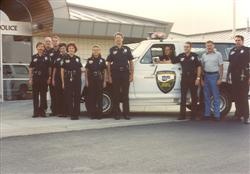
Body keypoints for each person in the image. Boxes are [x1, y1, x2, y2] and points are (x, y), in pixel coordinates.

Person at [107, 32, 134, 120]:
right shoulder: (112, 49)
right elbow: (108, 63)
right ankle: (117, 113)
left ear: (122, 39)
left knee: (125, 94)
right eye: (116, 38)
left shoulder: (127, 49)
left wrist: (131, 74)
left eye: (119, 38)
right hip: (115, 74)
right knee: (116, 94)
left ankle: (126, 114)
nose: (118, 39)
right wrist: (109, 76)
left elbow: (131, 62)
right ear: (115, 40)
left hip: (125, 73)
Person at [172, 42, 201, 120]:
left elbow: (199, 67)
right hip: (184, 78)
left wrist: (198, 78)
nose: (186, 48)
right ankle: (182, 115)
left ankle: (193, 116)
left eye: (187, 47)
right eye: (185, 47)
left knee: (194, 98)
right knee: (183, 97)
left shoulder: (194, 56)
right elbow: (172, 61)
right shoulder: (181, 56)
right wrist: (160, 61)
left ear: (190, 47)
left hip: (193, 78)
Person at [227, 35, 250, 124]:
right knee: (236, 97)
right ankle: (238, 115)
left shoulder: (247, 50)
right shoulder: (232, 51)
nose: (237, 42)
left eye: (239, 40)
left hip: (244, 76)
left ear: (243, 41)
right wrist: (228, 75)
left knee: (243, 97)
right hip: (234, 76)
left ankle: (246, 117)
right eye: (236, 40)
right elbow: (230, 64)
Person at [201, 40, 223, 121]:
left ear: (213, 46)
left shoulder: (218, 54)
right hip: (206, 76)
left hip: (214, 76)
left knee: (216, 96)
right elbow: (202, 67)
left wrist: (220, 78)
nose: (209, 47)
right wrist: (202, 80)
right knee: (206, 96)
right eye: (207, 46)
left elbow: (221, 66)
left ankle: (217, 115)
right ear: (206, 47)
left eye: (210, 45)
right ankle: (207, 114)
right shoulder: (204, 55)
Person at [29, 42, 51, 117]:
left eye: (42, 46)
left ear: (44, 48)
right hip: (36, 78)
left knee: (43, 96)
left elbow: (49, 68)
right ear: (37, 48)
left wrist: (49, 77)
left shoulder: (47, 57)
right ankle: (35, 112)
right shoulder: (34, 57)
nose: (41, 48)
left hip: (44, 78)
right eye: (39, 46)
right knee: (35, 96)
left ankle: (42, 112)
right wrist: (30, 78)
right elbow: (31, 68)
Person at [61, 43, 83, 120]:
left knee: (77, 96)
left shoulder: (77, 58)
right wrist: (63, 82)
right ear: (68, 49)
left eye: (72, 48)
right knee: (69, 97)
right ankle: (71, 113)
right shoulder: (64, 58)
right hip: (68, 79)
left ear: (75, 49)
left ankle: (76, 113)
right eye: (70, 48)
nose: (71, 49)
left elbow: (80, 69)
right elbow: (62, 70)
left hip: (76, 79)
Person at [85, 45, 107, 119]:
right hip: (91, 80)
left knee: (99, 98)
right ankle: (93, 114)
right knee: (92, 98)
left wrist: (104, 81)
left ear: (99, 51)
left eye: (97, 50)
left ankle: (99, 115)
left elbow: (105, 71)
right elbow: (86, 71)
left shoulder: (102, 60)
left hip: (99, 80)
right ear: (92, 51)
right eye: (94, 50)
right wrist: (87, 81)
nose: (95, 51)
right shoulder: (89, 60)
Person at [52, 43, 67, 117]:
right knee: (58, 95)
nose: (62, 49)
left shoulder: (68, 57)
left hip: (66, 78)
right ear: (59, 49)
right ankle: (59, 111)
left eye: (64, 48)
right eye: (61, 48)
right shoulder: (57, 58)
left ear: (65, 49)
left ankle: (66, 111)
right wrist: (53, 79)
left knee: (65, 95)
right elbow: (54, 68)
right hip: (58, 78)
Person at [48, 35, 60, 116]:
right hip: (52, 75)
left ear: (58, 41)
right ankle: (54, 111)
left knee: (59, 93)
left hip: (60, 75)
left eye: (56, 41)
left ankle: (61, 110)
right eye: (53, 41)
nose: (55, 42)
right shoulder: (50, 52)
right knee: (52, 94)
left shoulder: (62, 50)